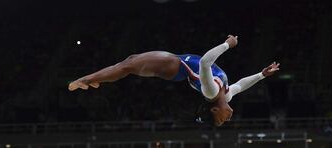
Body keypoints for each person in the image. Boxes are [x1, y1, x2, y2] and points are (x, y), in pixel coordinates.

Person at [68, 35, 280, 126]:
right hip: (177, 62)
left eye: (223, 120)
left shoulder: (211, 92)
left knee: (129, 64)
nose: (229, 118)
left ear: (215, 110)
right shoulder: (226, 94)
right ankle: (94, 80)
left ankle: (88, 79)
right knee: (130, 63)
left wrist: (227, 45)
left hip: (175, 66)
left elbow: (206, 62)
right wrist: (262, 75)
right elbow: (241, 84)